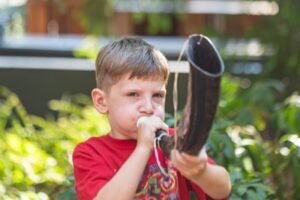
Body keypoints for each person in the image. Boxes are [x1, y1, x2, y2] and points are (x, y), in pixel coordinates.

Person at [72, 37, 231, 200]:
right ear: (101, 101)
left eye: (157, 95)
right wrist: (143, 148)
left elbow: (223, 189)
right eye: (133, 94)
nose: (148, 108)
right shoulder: (90, 153)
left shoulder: (174, 141)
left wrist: (200, 171)